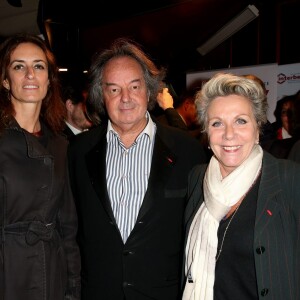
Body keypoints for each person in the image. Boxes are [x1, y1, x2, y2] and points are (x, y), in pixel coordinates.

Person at [67, 37, 208, 300]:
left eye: (134, 86)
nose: (126, 99)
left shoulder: (187, 150)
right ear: (101, 94)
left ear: (149, 89)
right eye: (113, 90)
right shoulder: (77, 151)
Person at [182, 73, 300, 300]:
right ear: (207, 132)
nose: (228, 134)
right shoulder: (197, 178)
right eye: (217, 123)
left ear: (257, 129)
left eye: (241, 121)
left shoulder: (289, 179)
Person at [0, 33, 81, 299]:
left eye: (39, 66)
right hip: (8, 275)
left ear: (49, 80)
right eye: (18, 66)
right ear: (5, 80)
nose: (30, 74)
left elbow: (67, 227)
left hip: (50, 275)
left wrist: (72, 290)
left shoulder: (59, 145)